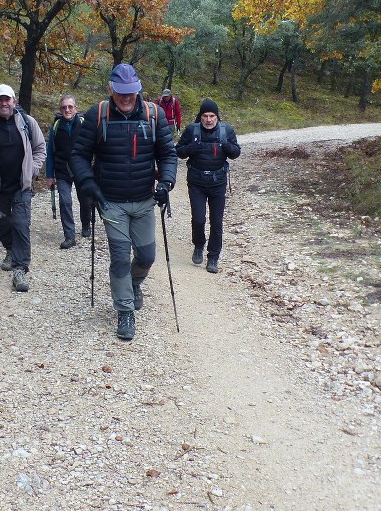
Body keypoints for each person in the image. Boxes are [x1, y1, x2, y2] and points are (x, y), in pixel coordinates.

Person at [71, 63, 178, 341]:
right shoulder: (98, 115)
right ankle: (125, 310)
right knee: (120, 256)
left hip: (144, 199)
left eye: (131, 92)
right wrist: (88, 184)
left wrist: (166, 182)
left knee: (147, 256)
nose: (127, 98)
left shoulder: (155, 114)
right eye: (121, 93)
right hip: (111, 202)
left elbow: (167, 153)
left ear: (139, 89)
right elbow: (79, 156)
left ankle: (133, 284)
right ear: (111, 89)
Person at [0, 83, 47, 292]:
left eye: (7, 99)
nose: (4, 103)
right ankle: (10, 250)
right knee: (3, 224)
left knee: (21, 224)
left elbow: (40, 148)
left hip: (22, 185)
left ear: (14, 101)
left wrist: (33, 169)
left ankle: (21, 267)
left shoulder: (27, 122)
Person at [175, 98, 241, 274]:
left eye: (212, 115)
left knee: (216, 222)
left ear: (217, 117)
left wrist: (228, 148)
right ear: (200, 116)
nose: (209, 119)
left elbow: (236, 153)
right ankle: (198, 245)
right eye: (205, 115)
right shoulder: (191, 130)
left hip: (218, 183)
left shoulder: (226, 131)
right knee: (198, 218)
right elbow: (178, 152)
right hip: (196, 182)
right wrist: (190, 149)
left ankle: (213, 257)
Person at [46, 94, 94, 249]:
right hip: (61, 170)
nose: (67, 109)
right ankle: (69, 236)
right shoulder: (56, 126)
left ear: (76, 108)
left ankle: (86, 224)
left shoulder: (83, 123)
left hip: (81, 169)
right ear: (60, 109)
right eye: (64, 107)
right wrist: (49, 175)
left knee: (85, 200)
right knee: (65, 201)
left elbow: (92, 147)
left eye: (70, 106)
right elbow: (50, 152)